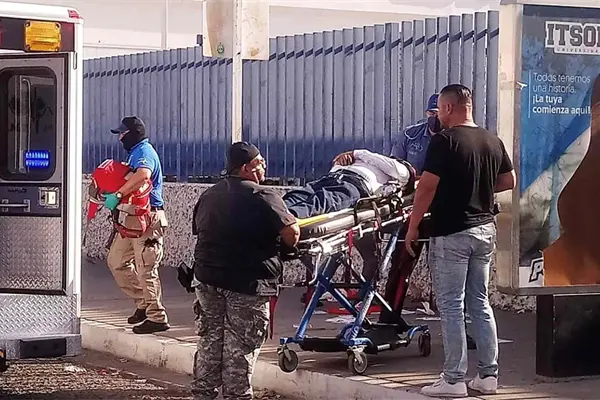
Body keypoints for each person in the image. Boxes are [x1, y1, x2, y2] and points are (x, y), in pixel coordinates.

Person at [404, 84, 515, 398]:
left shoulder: (445, 140)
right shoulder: (492, 140)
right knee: (480, 302)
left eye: (439, 109)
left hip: (452, 231)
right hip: (485, 230)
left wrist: (413, 226)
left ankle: (453, 379)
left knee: (451, 305)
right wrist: (477, 187)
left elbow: (426, 187)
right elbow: (509, 180)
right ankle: (488, 376)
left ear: (449, 108)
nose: (438, 116)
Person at [190, 142, 300, 400]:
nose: (264, 166)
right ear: (245, 168)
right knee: (240, 344)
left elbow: (199, 230)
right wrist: (287, 245)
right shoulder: (264, 196)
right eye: (259, 163)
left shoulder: (209, 195)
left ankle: (203, 393)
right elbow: (292, 233)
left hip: (207, 279)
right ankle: (237, 396)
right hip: (246, 282)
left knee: (209, 338)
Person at [283, 149, 414, 296]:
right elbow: (340, 163)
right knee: (297, 195)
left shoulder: (404, 171)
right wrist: (341, 163)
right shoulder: (369, 160)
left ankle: (288, 219)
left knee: (323, 200)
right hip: (332, 177)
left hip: (355, 185)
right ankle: (274, 213)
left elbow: (389, 165)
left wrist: (356, 153)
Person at [105, 116, 170, 335]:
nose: (120, 138)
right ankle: (144, 303)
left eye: (123, 133)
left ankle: (156, 317)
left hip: (148, 219)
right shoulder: (134, 153)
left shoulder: (144, 152)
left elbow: (143, 175)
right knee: (117, 261)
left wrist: (118, 194)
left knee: (146, 268)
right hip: (132, 219)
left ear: (133, 134)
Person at [391, 93, 442, 176]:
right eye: (432, 113)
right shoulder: (409, 135)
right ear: (426, 113)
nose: (435, 117)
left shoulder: (454, 137)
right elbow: (395, 165)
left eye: (439, 113)